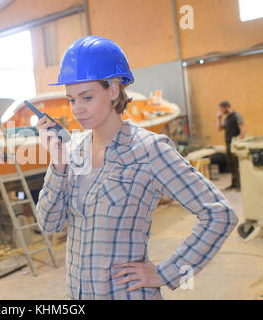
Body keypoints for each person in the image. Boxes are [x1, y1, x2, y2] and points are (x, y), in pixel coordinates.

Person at [35, 36, 238, 300]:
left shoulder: (149, 150)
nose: (78, 110)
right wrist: (58, 164)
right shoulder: (73, 150)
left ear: (114, 91)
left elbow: (220, 215)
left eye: (86, 97)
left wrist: (166, 273)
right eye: (72, 100)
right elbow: (50, 225)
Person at [216, 101, 245, 190]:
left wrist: (238, 142)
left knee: (236, 164)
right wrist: (219, 119)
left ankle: (240, 185)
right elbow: (219, 128)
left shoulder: (236, 116)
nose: (220, 110)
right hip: (228, 143)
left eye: (221, 108)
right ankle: (234, 183)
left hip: (234, 143)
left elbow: (242, 130)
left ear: (226, 107)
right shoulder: (227, 118)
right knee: (231, 164)